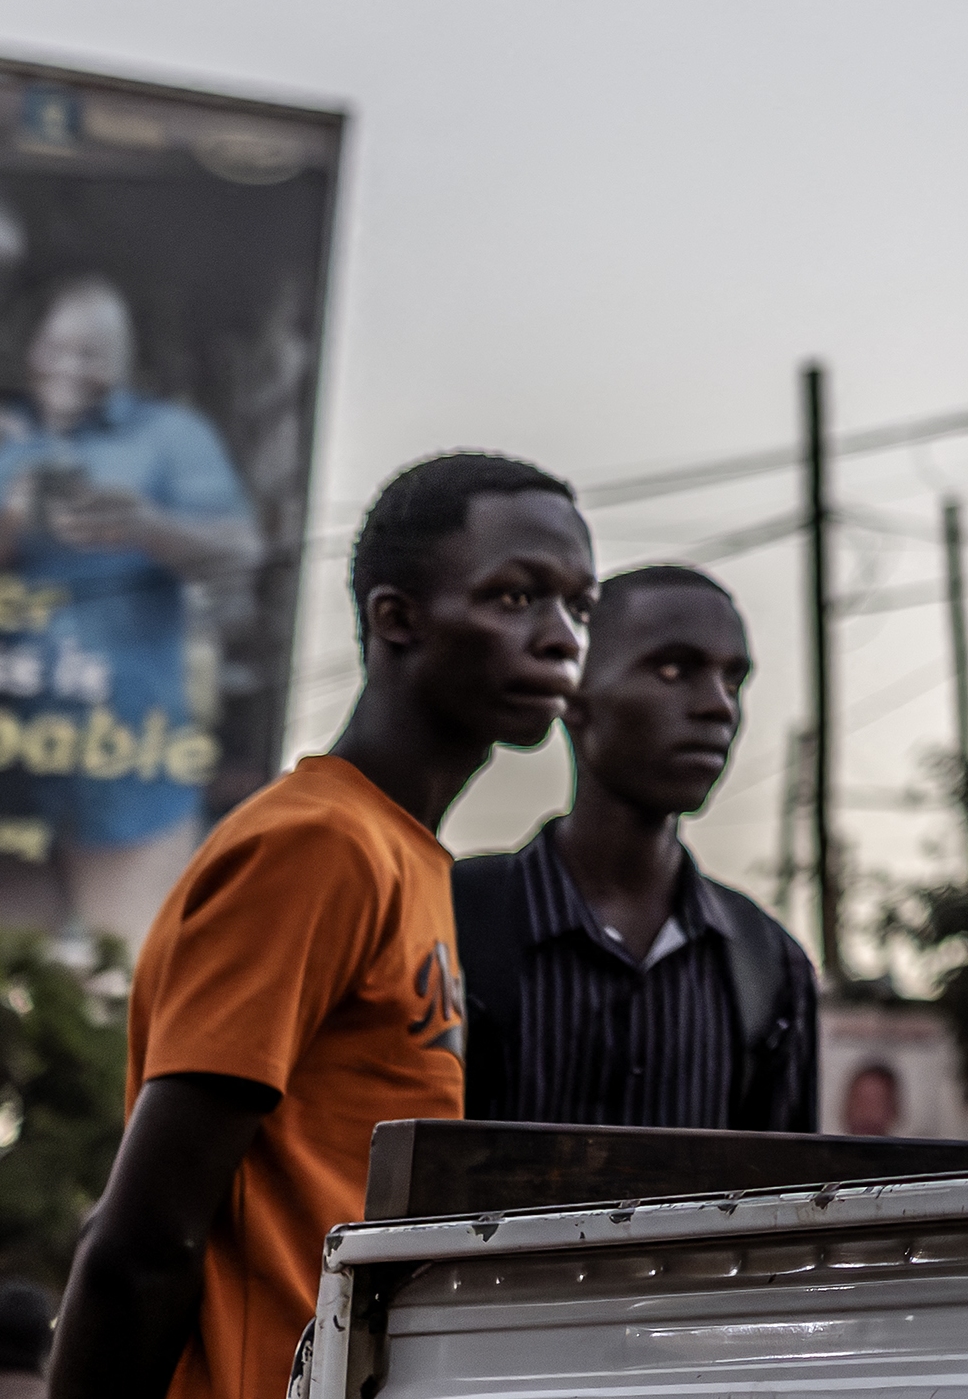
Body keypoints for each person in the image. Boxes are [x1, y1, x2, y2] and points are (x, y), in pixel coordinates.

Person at [51, 457, 590, 1399]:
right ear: (397, 617)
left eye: (579, 606)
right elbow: (143, 1240)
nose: (560, 638)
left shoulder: (409, 859)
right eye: (515, 595)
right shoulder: (314, 844)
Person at [453, 567, 818, 1136]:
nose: (719, 707)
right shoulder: (450, 921)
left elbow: (784, 1209)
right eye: (674, 669)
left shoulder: (769, 966)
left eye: (734, 680)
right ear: (574, 696)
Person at [0, 282, 259, 954]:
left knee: (145, 990)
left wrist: (148, 526)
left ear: (123, 359)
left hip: (128, 767)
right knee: (17, 1008)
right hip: (14, 770)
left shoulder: (171, 437)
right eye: (56, 347)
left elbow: (244, 549)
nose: (68, 366)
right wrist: (16, 517)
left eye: (90, 352)